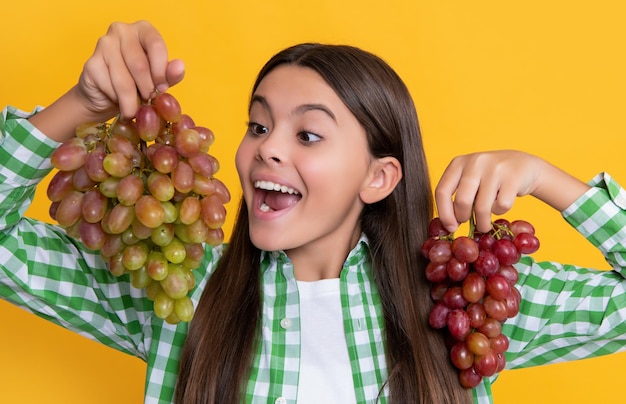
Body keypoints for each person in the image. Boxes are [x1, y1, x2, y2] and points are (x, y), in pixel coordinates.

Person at [1, 20, 626, 404]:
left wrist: (547, 178)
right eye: (258, 124)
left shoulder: (464, 302)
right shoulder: (182, 292)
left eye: (307, 135)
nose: (265, 147)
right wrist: (79, 104)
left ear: (379, 178)